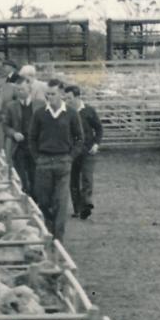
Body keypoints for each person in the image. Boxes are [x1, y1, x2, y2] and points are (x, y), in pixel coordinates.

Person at [25, 78, 84, 240]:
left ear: (61, 94)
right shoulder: (39, 114)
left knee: (60, 202)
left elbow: (79, 138)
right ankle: (49, 231)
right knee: (43, 201)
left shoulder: (71, 114)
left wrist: (70, 157)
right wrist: (37, 157)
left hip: (63, 162)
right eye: (47, 94)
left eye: (52, 94)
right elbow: (32, 138)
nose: (49, 97)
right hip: (43, 162)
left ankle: (58, 239)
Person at [66, 84, 105, 220]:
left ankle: (87, 204)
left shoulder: (89, 111)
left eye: (70, 98)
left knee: (87, 177)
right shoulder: (66, 112)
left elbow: (99, 129)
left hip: (88, 149)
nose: (67, 101)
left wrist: (96, 144)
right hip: (72, 150)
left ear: (77, 97)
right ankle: (77, 208)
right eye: (66, 98)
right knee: (73, 180)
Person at [3, 67, 41, 201]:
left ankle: (36, 202)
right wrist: (13, 134)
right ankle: (25, 199)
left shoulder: (40, 105)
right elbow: (5, 126)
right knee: (21, 177)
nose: (20, 92)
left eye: (22, 90)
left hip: (36, 147)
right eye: (18, 90)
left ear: (29, 89)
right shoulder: (11, 106)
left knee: (35, 176)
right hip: (19, 147)